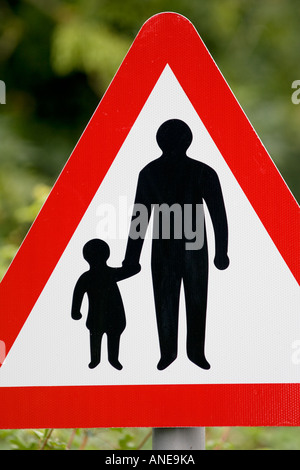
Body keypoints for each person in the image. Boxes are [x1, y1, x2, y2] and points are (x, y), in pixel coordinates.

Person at [122, 119, 229, 370]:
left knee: (183, 299)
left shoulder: (200, 172)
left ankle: (190, 353)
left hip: (182, 248)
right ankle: (172, 353)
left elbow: (217, 214)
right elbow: (141, 216)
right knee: (174, 300)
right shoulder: (152, 173)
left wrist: (221, 252)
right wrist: (131, 258)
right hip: (175, 247)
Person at [71, 239, 139, 370]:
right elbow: (78, 294)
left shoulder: (92, 276)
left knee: (108, 336)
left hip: (109, 316)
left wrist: (76, 312)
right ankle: (97, 359)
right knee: (99, 336)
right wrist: (75, 311)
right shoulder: (96, 276)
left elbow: (78, 294)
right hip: (103, 316)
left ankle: (110, 359)